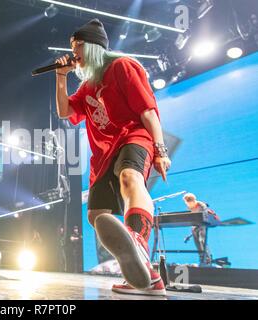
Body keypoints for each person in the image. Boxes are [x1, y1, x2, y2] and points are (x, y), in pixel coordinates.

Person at [55, 19, 171, 296]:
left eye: (78, 45)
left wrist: (160, 150)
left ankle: (139, 243)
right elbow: (64, 112)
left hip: (133, 136)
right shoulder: (86, 88)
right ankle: (148, 279)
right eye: (72, 47)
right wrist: (60, 77)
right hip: (104, 155)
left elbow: (147, 112)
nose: (74, 52)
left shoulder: (122, 67)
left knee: (130, 178)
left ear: (94, 46)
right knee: (96, 216)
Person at [183, 193, 219, 265]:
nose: (188, 205)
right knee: (197, 243)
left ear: (193, 201)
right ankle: (202, 259)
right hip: (195, 227)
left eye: (188, 203)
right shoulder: (189, 208)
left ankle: (208, 258)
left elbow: (204, 218)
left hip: (203, 224)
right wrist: (189, 235)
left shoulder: (202, 206)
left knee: (202, 239)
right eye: (186, 203)